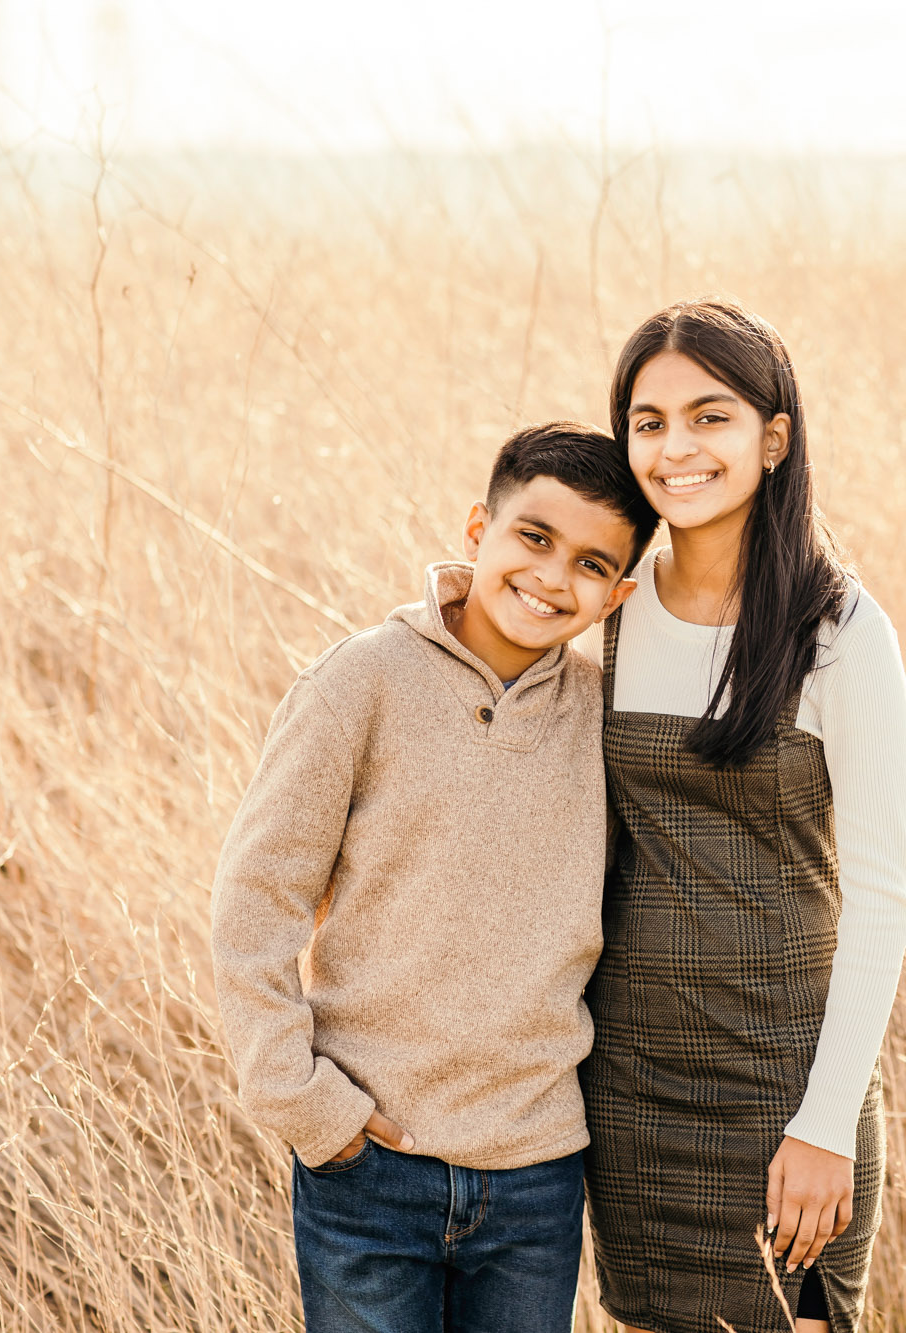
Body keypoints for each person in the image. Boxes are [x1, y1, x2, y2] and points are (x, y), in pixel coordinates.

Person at [210, 422, 657, 1333]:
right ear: (476, 530)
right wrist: (304, 1104)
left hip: (536, 1172)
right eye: (533, 538)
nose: (549, 576)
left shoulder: (606, 719)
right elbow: (256, 902)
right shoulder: (360, 683)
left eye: (587, 563)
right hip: (369, 1164)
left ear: (618, 593)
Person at [583, 300, 906, 1333]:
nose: (675, 448)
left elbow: (879, 898)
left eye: (708, 417)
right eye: (648, 422)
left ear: (772, 438)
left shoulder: (840, 630)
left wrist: (823, 1126)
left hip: (787, 1093)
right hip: (631, 1092)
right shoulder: (607, 606)